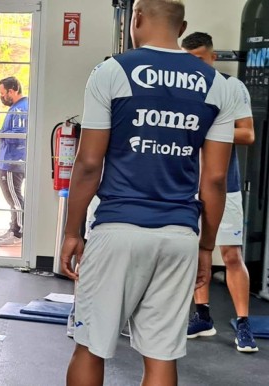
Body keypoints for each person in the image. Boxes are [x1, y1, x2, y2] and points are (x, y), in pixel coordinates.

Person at [60, 1, 235, 385]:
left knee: (90, 346)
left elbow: (89, 163)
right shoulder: (217, 84)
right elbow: (216, 179)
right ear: (182, 25)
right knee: (160, 356)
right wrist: (206, 247)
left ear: (135, 18)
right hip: (178, 235)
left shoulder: (111, 72)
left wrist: (72, 232)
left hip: (118, 231)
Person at [181, 32, 258, 352]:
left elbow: (247, 133)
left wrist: (205, 127)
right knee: (193, 252)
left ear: (212, 57)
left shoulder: (231, 86)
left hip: (225, 185)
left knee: (230, 255)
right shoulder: (180, 88)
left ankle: (243, 324)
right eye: (188, 60)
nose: (193, 65)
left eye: (199, 58)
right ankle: (202, 316)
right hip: (186, 184)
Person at [0, 76, 28, 247]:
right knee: (13, 199)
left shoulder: (20, 109)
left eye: (3, 93)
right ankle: (13, 228)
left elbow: (17, 135)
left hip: (11, 162)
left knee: (15, 199)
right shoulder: (18, 107)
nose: (2, 97)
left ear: (12, 90)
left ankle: (18, 232)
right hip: (11, 161)